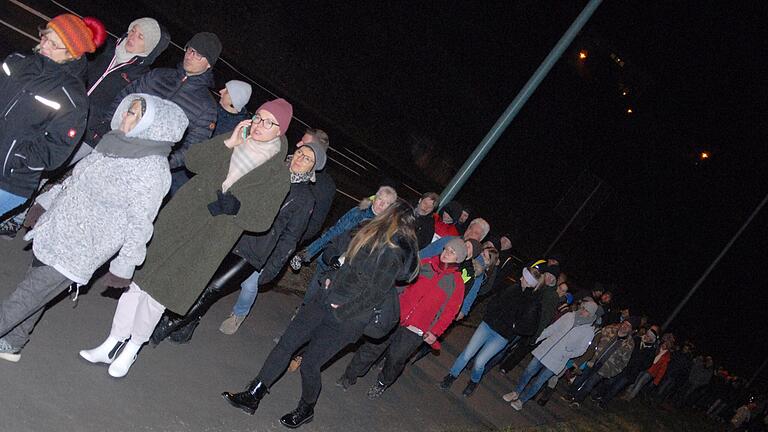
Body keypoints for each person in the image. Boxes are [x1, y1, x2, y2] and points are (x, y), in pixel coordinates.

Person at [79, 98, 293, 377]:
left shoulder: (278, 174)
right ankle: (111, 342)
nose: (260, 125)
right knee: (138, 283)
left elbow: (263, 219)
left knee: (160, 295)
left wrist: (236, 208)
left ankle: (132, 349)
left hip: (211, 239)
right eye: (258, 117)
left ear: (280, 131)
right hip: (179, 219)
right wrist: (228, 143)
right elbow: (193, 161)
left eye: (269, 122)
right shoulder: (233, 140)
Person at [0, 94, 187, 362]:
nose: (125, 116)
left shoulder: (153, 170)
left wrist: (126, 264)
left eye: (134, 114)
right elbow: (76, 180)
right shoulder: (114, 143)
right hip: (58, 228)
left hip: (84, 245)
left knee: (26, 296)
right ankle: (13, 342)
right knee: (33, 293)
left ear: (153, 125)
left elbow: (140, 222)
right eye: (128, 110)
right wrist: (45, 203)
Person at [220, 201, 419, 428]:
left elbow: (374, 295)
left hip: (347, 320)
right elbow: (346, 263)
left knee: (311, 363)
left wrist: (341, 311)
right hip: (325, 299)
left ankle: (306, 408)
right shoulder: (371, 235)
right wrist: (331, 278)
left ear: (393, 218)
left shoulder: (392, 253)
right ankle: (253, 395)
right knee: (286, 344)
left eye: (388, 209)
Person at [0, 18, 169, 238]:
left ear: (150, 47)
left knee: (41, 170)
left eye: (141, 37)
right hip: (46, 108)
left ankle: (18, 217)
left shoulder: (140, 76)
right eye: (133, 31)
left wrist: (100, 130)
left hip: (88, 133)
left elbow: (123, 109)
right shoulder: (103, 50)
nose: (133, 38)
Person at [148, 140, 326, 342]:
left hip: (253, 252)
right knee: (200, 280)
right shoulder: (270, 172)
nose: (301, 159)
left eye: (308, 159)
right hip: (230, 235)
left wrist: (271, 269)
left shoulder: (305, 199)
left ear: (313, 169)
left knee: (213, 288)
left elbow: (290, 237)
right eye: (300, 153)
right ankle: (186, 328)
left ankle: (166, 325)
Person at [0, 14, 106, 218]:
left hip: (10, 181)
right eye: (45, 37)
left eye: (54, 44)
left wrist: (15, 159)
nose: (45, 45)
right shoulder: (17, 62)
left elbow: (55, 149)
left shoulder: (73, 98)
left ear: (72, 53)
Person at [338, 237, 467, 398]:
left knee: (396, 358)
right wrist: (387, 305)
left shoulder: (457, 284)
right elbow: (401, 284)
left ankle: (382, 383)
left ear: (459, 258)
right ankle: (350, 376)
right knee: (372, 347)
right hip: (394, 315)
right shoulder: (425, 264)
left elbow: (450, 312)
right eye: (446, 249)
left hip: (416, 329)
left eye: (452, 252)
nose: (446, 253)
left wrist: (435, 332)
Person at [97, 32, 222, 195]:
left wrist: (160, 160)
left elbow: (192, 149)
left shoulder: (206, 107)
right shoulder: (159, 75)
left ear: (209, 64)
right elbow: (125, 97)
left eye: (198, 54)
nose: (190, 56)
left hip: (142, 172)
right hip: (114, 146)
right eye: (190, 49)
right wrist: (109, 127)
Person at [439, 265, 544, 397]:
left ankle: (473, 382)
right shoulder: (513, 288)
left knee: (480, 362)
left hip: (501, 335)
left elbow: (530, 327)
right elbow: (495, 300)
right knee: (467, 353)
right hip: (488, 325)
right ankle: (451, 376)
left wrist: (513, 327)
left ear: (530, 283)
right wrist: (489, 314)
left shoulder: (533, 302)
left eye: (525, 277)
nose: (521, 277)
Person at [291, 185, 397, 302]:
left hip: (349, 271)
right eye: (380, 199)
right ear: (374, 198)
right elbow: (334, 233)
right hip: (331, 257)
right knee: (312, 294)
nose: (381, 205)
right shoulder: (358, 213)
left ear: (390, 208)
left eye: (386, 203)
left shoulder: (384, 229)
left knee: (327, 302)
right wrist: (307, 253)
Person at [503, 300, 598, 411]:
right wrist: (538, 337)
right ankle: (516, 392)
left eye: (586, 310)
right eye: (583, 308)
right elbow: (552, 328)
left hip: (558, 359)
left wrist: (568, 353)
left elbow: (582, 350)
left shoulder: (589, 331)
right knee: (528, 372)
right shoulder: (569, 316)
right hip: (545, 350)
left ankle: (522, 400)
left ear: (591, 314)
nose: (582, 311)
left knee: (539, 382)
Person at [562, 317, 638, 407]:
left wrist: (613, 372)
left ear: (631, 330)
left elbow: (624, 362)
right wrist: (588, 355)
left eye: (628, 326)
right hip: (592, 360)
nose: (625, 326)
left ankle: (578, 400)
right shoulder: (609, 329)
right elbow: (594, 341)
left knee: (590, 384)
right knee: (580, 378)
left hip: (605, 368)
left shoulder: (629, 344)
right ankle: (570, 394)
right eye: (625, 323)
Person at [296, 129, 335, 243]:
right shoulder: (288, 163)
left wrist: (288, 239)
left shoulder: (325, 186)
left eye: (304, 143)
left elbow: (314, 224)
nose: (298, 145)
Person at [623, 332, 673, 400]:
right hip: (644, 367)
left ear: (668, 347)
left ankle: (630, 397)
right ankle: (626, 393)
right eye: (664, 343)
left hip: (650, 373)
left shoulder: (666, 356)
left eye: (666, 345)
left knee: (639, 384)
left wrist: (656, 381)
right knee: (634, 380)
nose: (664, 345)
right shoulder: (656, 348)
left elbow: (662, 370)